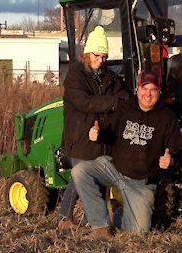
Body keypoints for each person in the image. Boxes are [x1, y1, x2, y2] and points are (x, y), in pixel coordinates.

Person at [71, 71, 182, 238]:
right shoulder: (125, 108)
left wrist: (171, 160)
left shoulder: (168, 118)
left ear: (159, 92)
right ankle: (100, 226)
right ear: (137, 89)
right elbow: (111, 134)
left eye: (153, 90)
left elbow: (179, 153)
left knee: (138, 232)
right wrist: (99, 134)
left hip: (141, 183)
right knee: (80, 171)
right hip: (114, 168)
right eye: (144, 89)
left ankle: (118, 214)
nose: (148, 94)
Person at [59, 25, 127, 230]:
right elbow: (84, 102)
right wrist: (111, 103)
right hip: (79, 135)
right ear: (88, 54)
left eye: (105, 56)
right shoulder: (74, 76)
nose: (101, 60)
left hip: (103, 134)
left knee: (100, 177)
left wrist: (115, 104)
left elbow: (123, 98)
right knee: (80, 176)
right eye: (98, 55)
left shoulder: (110, 76)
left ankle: (93, 220)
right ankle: (65, 217)